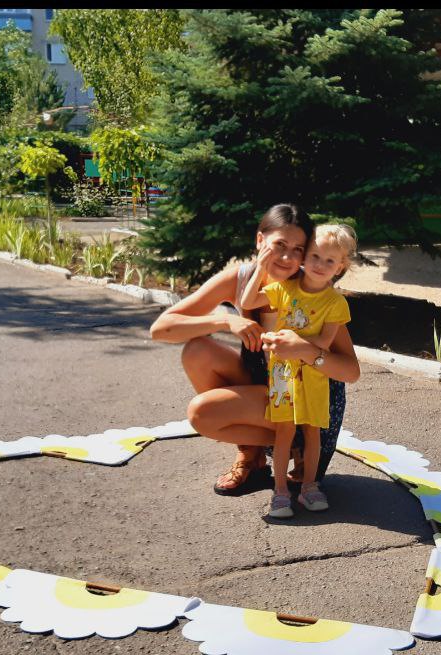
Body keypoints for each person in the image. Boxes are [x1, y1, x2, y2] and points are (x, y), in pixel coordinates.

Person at [148, 204, 361, 495]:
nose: (288, 258)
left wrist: (305, 350)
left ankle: (299, 444)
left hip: (308, 402)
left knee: (203, 413)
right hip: (271, 386)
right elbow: (161, 329)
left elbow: (350, 371)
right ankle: (252, 457)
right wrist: (225, 320)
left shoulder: (312, 290)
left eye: (299, 249)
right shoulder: (240, 279)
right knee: (197, 351)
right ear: (260, 241)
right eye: (279, 245)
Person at [238, 224, 356, 518]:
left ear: (341, 266)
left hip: (315, 378)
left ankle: (309, 487)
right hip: (282, 377)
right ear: (305, 256)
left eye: (330, 261)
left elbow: (324, 343)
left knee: (312, 433)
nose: (320, 265)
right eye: (315, 256)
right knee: (283, 433)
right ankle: (280, 492)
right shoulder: (285, 289)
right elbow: (248, 302)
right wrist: (261, 266)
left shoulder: (335, 303)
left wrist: (293, 344)